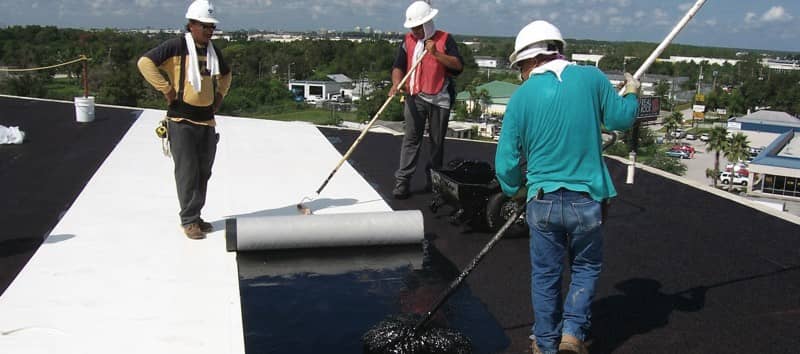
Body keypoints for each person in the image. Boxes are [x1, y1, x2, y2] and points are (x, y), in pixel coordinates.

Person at [494, 21, 640, 354]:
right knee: (585, 267)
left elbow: (506, 163)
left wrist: (515, 188)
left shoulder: (522, 97)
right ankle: (572, 334)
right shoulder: (592, 79)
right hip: (587, 199)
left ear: (531, 60)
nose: (520, 74)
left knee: (545, 275)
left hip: (542, 200)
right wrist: (632, 92)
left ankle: (545, 345)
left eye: (520, 67)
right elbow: (620, 119)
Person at [137, 0, 232, 240]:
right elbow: (144, 63)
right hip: (181, 120)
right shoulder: (176, 46)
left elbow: (226, 74)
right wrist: (166, 89)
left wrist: (219, 96)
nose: (210, 31)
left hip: (206, 121)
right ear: (191, 25)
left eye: (212, 27)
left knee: (203, 172)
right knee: (187, 172)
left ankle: (195, 216)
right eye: (205, 26)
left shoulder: (212, 51)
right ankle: (189, 220)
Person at [389, 0, 464, 199]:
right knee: (411, 140)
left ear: (428, 23)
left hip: (439, 99)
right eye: (413, 28)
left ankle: (434, 182)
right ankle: (402, 182)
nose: (416, 32)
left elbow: (458, 66)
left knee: (436, 143)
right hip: (415, 97)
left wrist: (436, 53)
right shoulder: (408, 41)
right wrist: (397, 83)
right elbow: (398, 66)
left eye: (418, 28)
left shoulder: (445, 39)